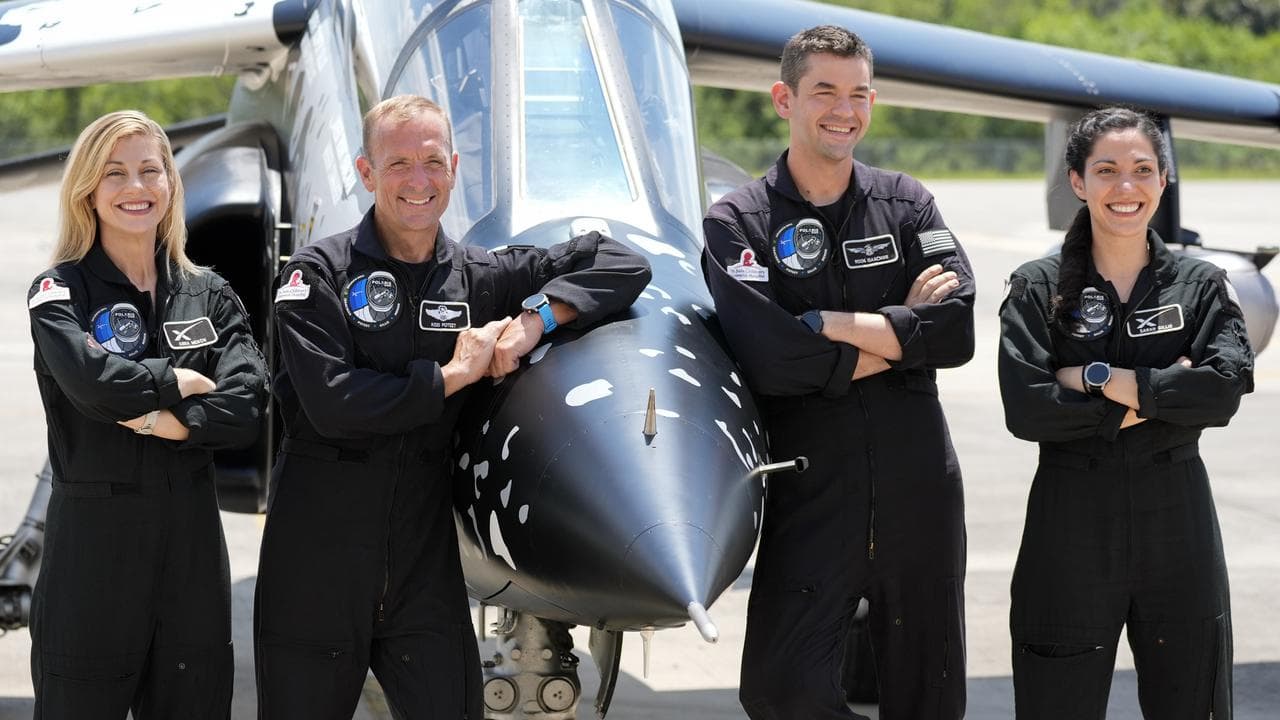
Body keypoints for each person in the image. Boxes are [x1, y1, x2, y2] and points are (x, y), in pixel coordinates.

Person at [254, 94, 651, 719]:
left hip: (423, 565)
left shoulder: (480, 276)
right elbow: (334, 403)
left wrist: (533, 320)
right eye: (399, 163)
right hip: (318, 560)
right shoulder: (316, 275)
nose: (419, 180)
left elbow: (621, 261)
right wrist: (450, 376)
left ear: (454, 167)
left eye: (433, 162)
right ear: (365, 173)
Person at [701, 25, 974, 720]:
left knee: (928, 690)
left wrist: (828, 325)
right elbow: (772, 359)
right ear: (782, 99)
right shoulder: (739, 220)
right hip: (810, 489)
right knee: (780, 688)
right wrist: (899, 333)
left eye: (858, 94)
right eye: (823, 90)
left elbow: (959, 327)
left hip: (919, 487)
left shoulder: (906, 202)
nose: (843, 109)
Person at [998, 107, 1253, 719]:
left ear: (1164, 179)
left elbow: (1224, 390)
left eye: (1142, 170)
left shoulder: (1199, 284)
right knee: (1056, 701)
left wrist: (1099, 380)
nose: (1126, 187)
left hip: (1178, 518)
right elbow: (1029, 409)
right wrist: (1164, 396)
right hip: (1070, 522)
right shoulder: (1038, 287)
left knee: (1192, 698)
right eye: (1106, 170)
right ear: (1078, 181)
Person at [25, 110, 268, 718]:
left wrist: (172, 421)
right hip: (94, 550)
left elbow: (250, 402)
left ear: (170, 184)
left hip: (189, 548)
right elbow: (92, 384)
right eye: (115, 173)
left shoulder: (208, 292)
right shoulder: (59, 293)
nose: (135, 188)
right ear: (88, 188)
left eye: (149, 170)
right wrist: (177, 377)